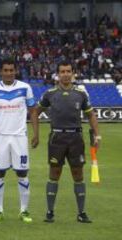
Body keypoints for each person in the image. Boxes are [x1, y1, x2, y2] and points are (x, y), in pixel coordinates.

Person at [36, 61, 100, 223]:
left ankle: (81, 213)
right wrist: (35, 134)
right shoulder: (49, 94)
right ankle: (50, 212)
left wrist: (97, 135)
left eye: (68, 71)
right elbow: (35, 112)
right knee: (54, 174)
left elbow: (91, 115)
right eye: (62, 71)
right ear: (58, 74)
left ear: (73, 73)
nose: (65, 74)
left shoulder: (80, 94)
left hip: (76, 138)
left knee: (78, 175)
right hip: (57, 138)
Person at [0, 58, 39, 223]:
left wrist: (36, 133)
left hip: (19, 137)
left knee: (22, 174)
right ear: (1, 71)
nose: (8, 73)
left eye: (11, 70)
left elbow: (33, 110)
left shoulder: (25, 88)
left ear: (15, 71)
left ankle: (24, 211)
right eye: (5, 70)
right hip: (0, 136)